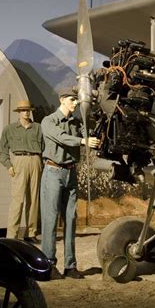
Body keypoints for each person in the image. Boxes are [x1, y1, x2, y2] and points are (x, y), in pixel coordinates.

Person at [40, 89, 100, 280]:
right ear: (62, 100)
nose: (75, 103)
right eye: (72, 100)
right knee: (50, 220)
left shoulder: (77, 123)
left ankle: (70, 265)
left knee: (71, 220)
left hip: (70, 172)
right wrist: (83, 140)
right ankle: (48, 265)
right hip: (53, 172)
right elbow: (62, 138)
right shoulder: (49, 121)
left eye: (77, 100)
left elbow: (90, 135)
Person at [0, 100, 43, 243]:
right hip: (19, 161)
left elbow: (44, 146)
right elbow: (2, 150)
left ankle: (31, 233)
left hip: (36, 160)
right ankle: (12, 235)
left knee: (34, 199)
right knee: (17, 200)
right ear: (18, 112)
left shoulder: (38, 128)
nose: (26, 112)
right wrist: (9, 165)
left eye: (28, 109)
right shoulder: (10, 129)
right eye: (23, 110)